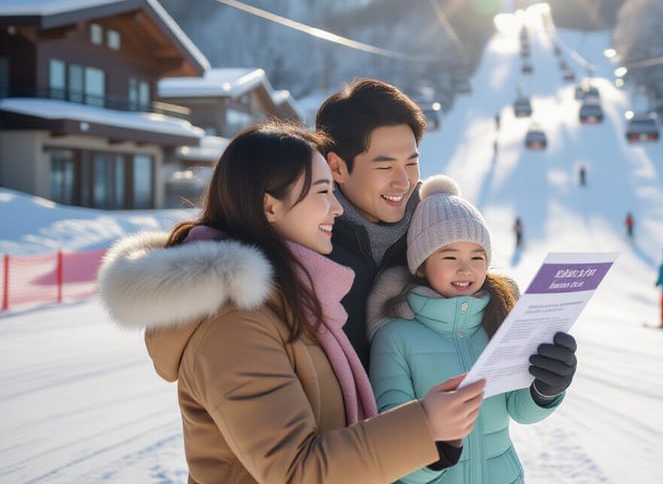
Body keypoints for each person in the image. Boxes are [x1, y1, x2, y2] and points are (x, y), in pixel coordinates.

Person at [97, 121, 486, 483]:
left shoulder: (294, 299)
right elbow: (295, 471)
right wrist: (424, 426)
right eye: (322, 193)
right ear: (270, 206)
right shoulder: (232, 323)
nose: (335, 208)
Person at [367, 175, 577, 483]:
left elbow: (521, 411)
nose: (466, 268)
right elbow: (394, 452)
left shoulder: (497, 321)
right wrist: (433, 440)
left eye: (477, 257)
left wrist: (546, 389)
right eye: (450, 256)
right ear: (421, 265)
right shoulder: (395, 338)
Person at [315, 78, 427, 367]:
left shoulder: (435, 234)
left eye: (411, 164)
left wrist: (540, 388)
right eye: (385, 166)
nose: (404, 182)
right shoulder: (307, 246)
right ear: (336, 167)